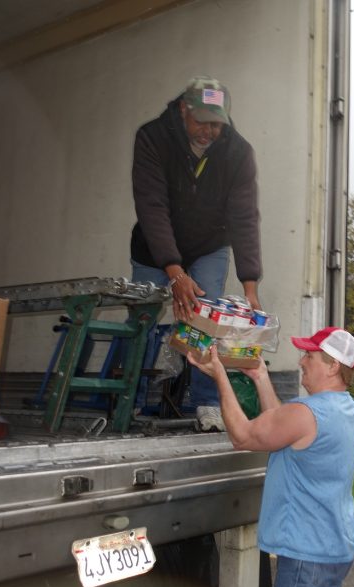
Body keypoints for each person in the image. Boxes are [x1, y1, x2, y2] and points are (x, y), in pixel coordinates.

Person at [129, 75, 262, 431]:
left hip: (207, 246)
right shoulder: (153, 138)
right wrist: (174, 272)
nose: (208, 131)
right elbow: (152, 206)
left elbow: (244, 217)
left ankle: (206, 404)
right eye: (201, 121)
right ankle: (132, 401)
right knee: (142, 320)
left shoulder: (238, 153)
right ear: (184, 110)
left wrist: (250, 286)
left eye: (216, 123)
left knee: (206, 320)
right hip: (154, 249)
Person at [190, 327, 354, 587]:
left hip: (307, 554)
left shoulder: (308, 413)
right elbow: (279, 426)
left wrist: (219, 375)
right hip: (332, 546)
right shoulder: (346, 407)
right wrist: (260, 377)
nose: (301, 361)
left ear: (333, 367)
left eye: (310, 356)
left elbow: (242, 436)